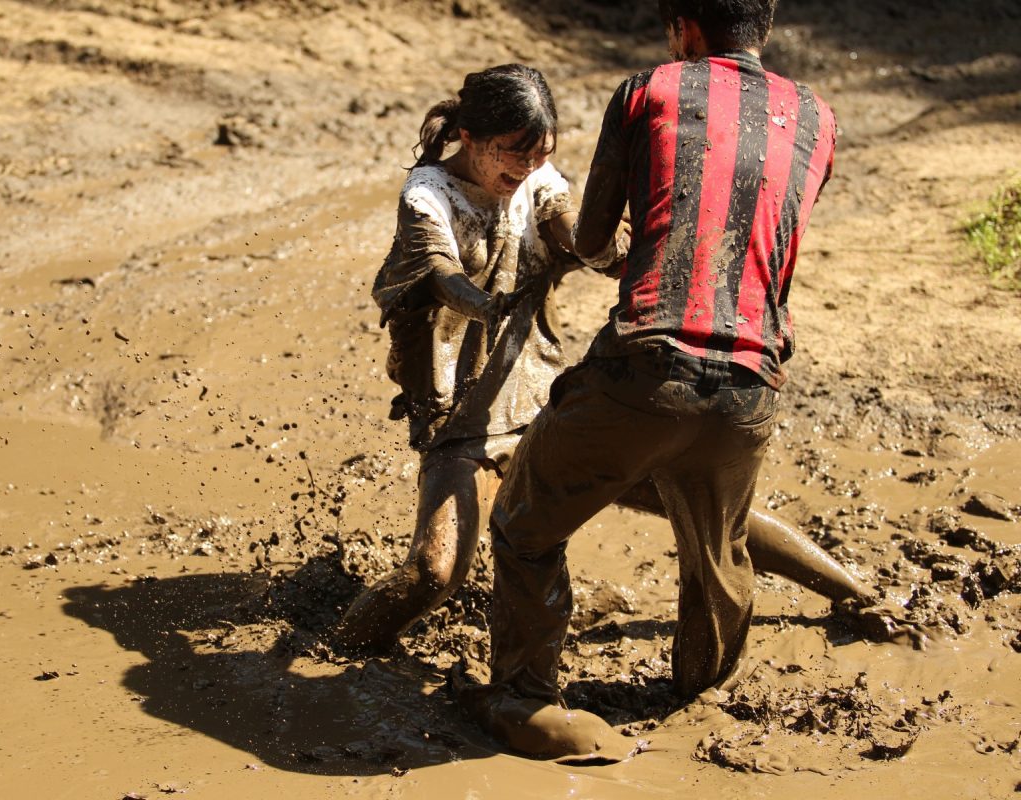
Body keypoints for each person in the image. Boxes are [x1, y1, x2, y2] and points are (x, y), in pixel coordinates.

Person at [332, 62, 879, 657]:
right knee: (433, 573)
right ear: (470, 137)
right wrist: (485, 306)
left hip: (541, 400)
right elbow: (438, 272)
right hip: (461, 414)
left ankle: (858, 595)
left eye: (540, 154)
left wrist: (618, 254)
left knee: (703, 513)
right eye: (513, 153)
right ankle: (333, 652)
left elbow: (569, 228)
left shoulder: (536, 181)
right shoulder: (428, 195)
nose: (525, 167)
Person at [461, 0, 876, 758]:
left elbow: (593, 236)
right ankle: (698, 693)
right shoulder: (818, 116)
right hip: (752, 381)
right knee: (716, 551)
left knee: (524, 524)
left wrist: (609, 252)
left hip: (644, 368)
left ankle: (523, 698)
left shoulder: (647, 90)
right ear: (764, 27)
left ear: (683, 25)